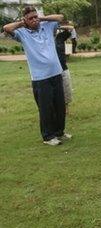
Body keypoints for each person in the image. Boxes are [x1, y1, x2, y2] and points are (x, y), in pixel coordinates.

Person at [2, 6, 71, 146]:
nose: (34, 20)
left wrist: (41, 18)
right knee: (46, 108)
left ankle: (59, 132)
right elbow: (7, 28)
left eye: (35, 17)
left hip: (56, 73)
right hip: (40, 78)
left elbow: (60, 17)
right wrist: (23, 23)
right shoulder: (22, 33)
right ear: (25, 20)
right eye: (31, 18)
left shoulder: (47, 26)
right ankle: (48, 137)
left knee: (60, 105)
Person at [55, 22, 74, 112]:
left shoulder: (60, 37)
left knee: (66, 88)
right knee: (55, 90)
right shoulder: (45, 38)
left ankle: (66, 109)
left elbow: (71, 28)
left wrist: (58, 26)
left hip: (63, 67)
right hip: (51, 69)